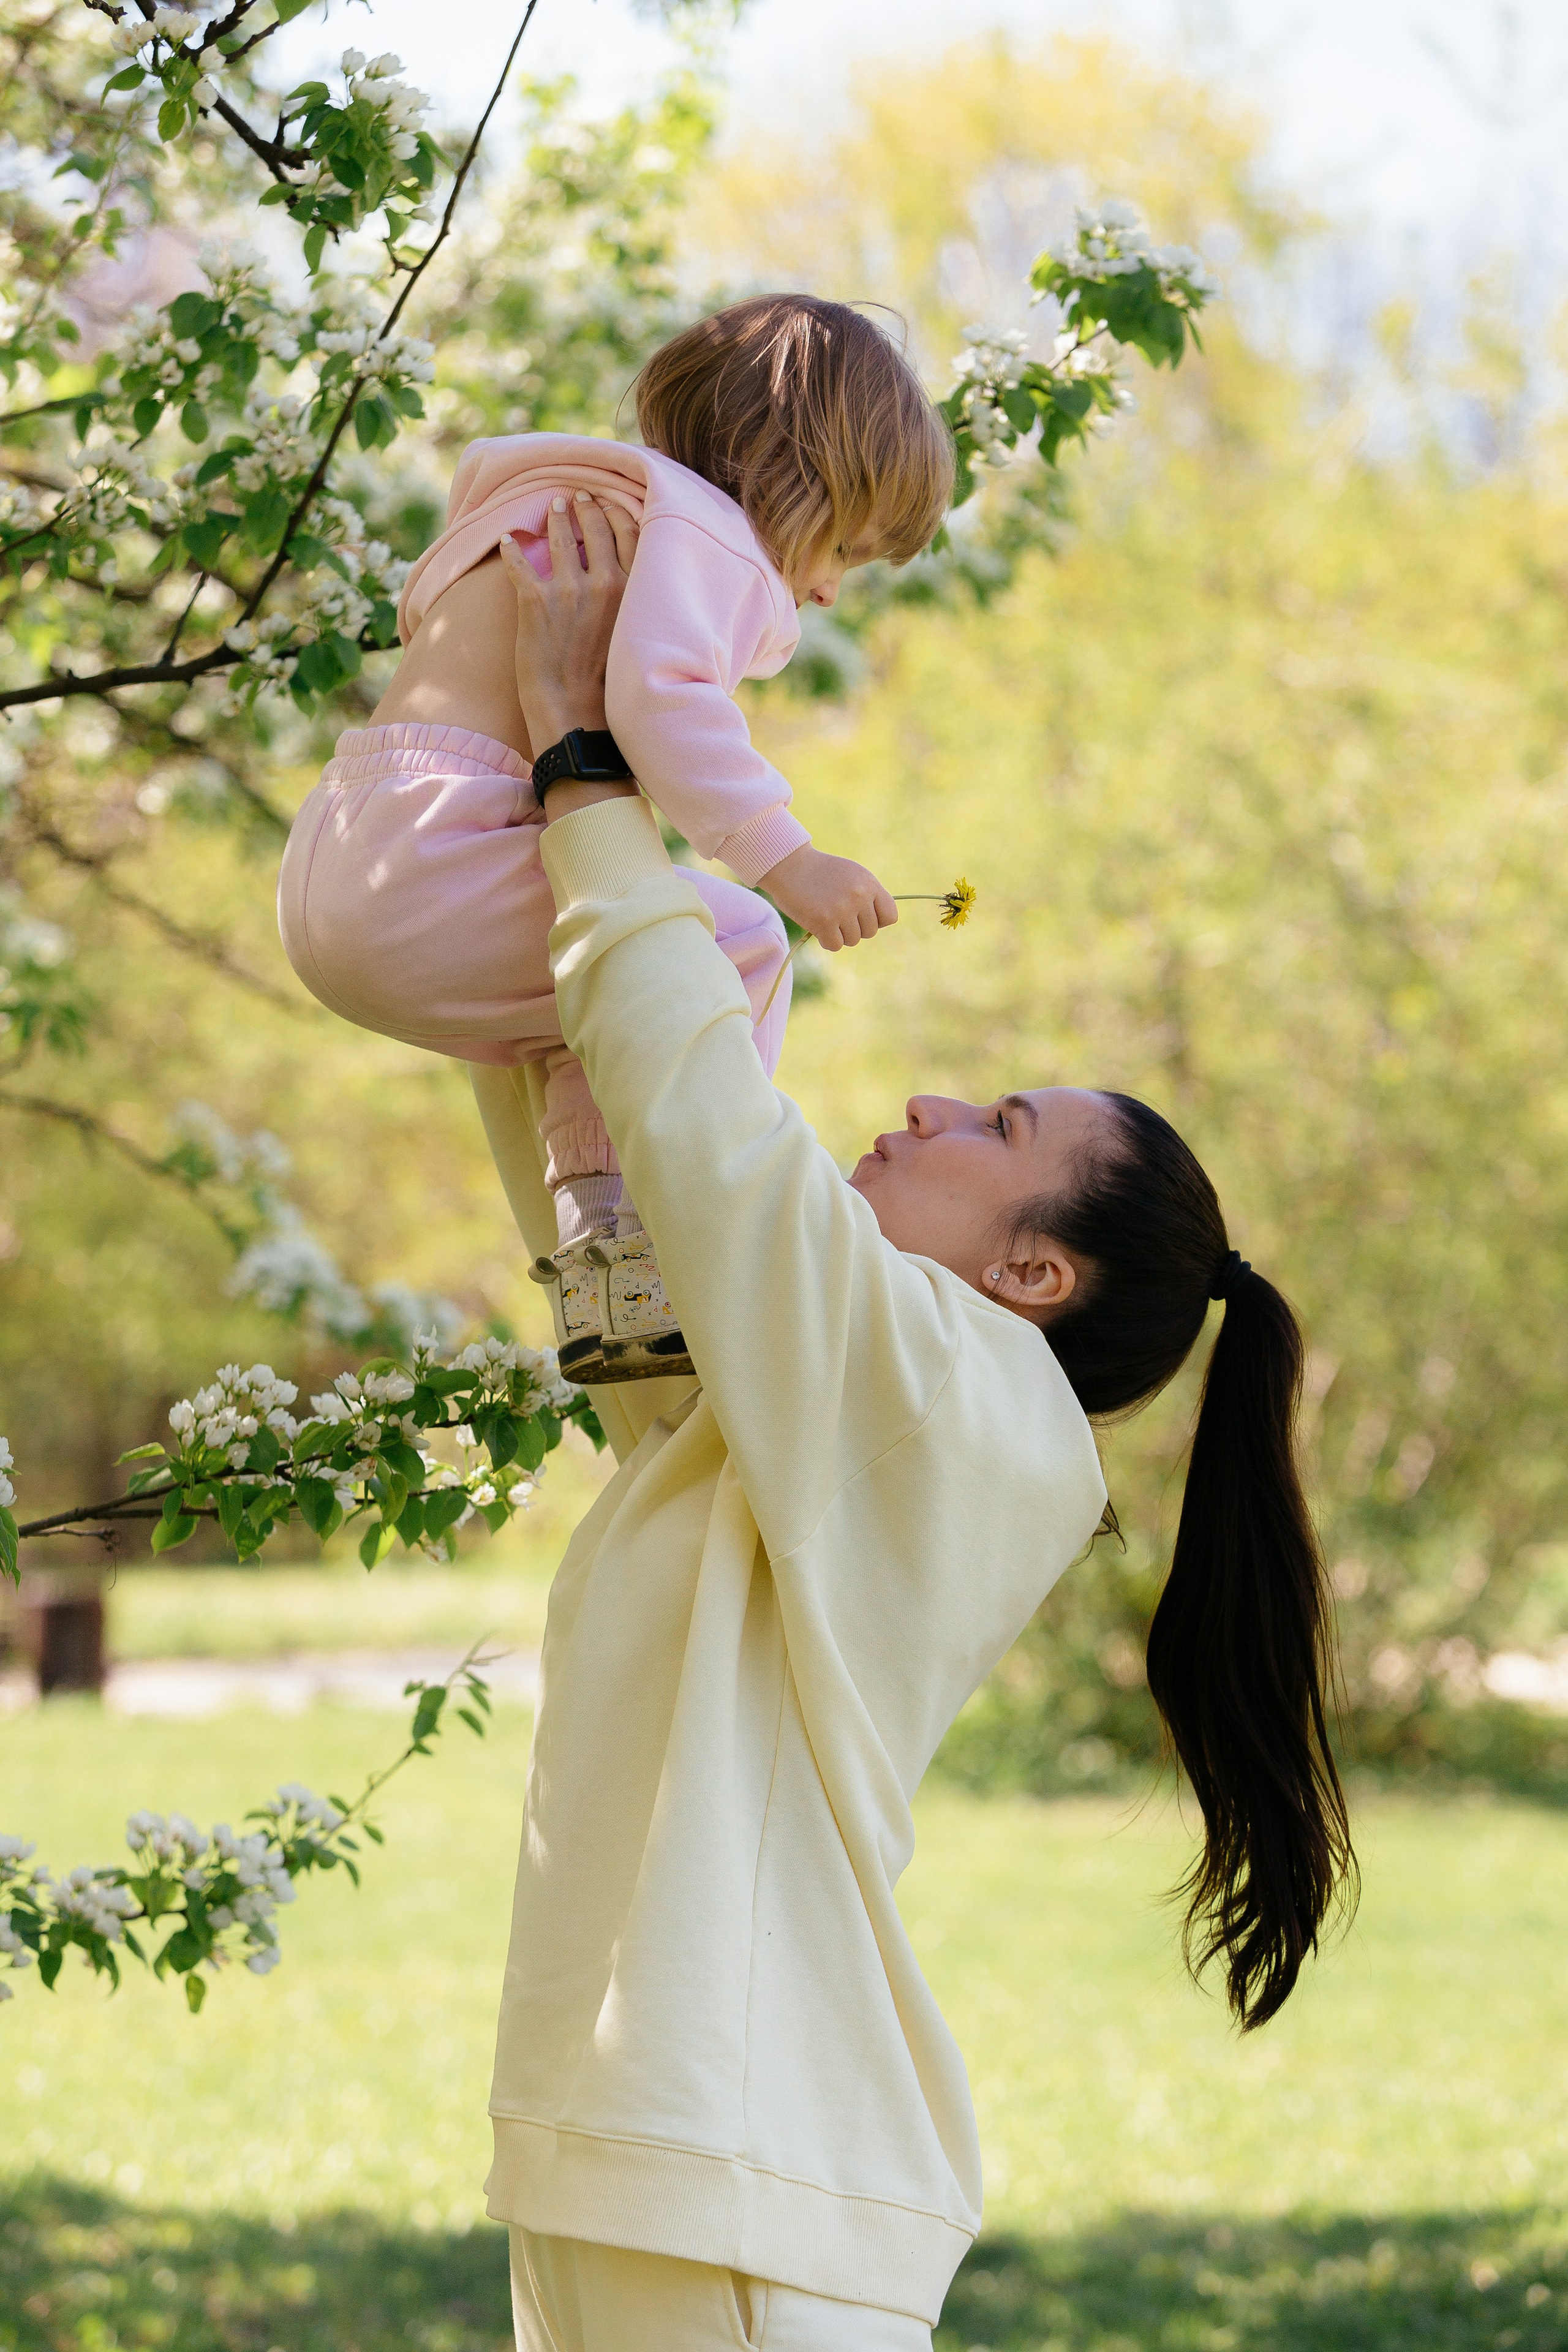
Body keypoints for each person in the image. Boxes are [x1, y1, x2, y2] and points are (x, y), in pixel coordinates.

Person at [470, 499, 1354, 2351]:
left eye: (999, 1128)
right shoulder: (843, 1411)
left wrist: (584, 768)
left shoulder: (955, 1400)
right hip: (658, 2155)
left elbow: (709, 1132)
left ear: (1035, 1273)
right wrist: (518, 918)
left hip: (730, 2170)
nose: (936, 1101)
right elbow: (624, 1249)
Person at [277, 296, 952, 1379]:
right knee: (733, 941)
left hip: (347, 850)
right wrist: (792, 861)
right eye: (843, 547)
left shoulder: (558, 504)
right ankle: (706, 1225)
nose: (826, 588)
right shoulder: (706, 533)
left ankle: (613, 1267)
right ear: (788, 476)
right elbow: (663, 701)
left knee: (596, 1000)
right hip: (434, 866)